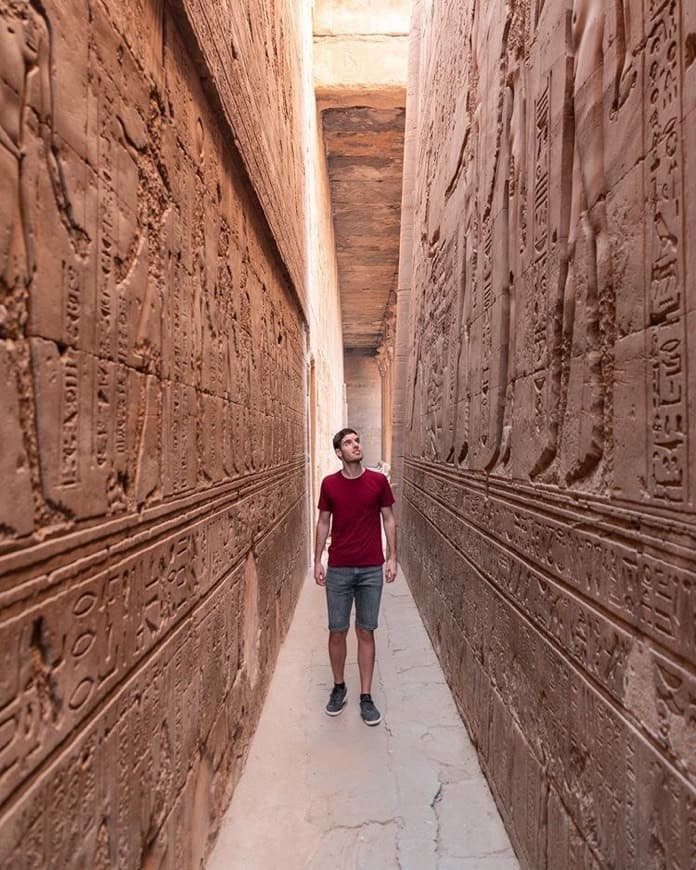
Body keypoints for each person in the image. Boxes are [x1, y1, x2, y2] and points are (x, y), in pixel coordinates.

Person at [314, 428, 397, 726]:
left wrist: (392, 557)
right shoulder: (330, 485)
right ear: (339, 452)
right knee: (337, 630)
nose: (355, 445)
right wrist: (317, 560)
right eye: (348, 443)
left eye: (357, 441)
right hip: (338, 569)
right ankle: (339, 687)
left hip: (370, 569)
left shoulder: (377, 481)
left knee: (366, 631)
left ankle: (366, 696)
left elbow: (388, 518)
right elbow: (324, 522)